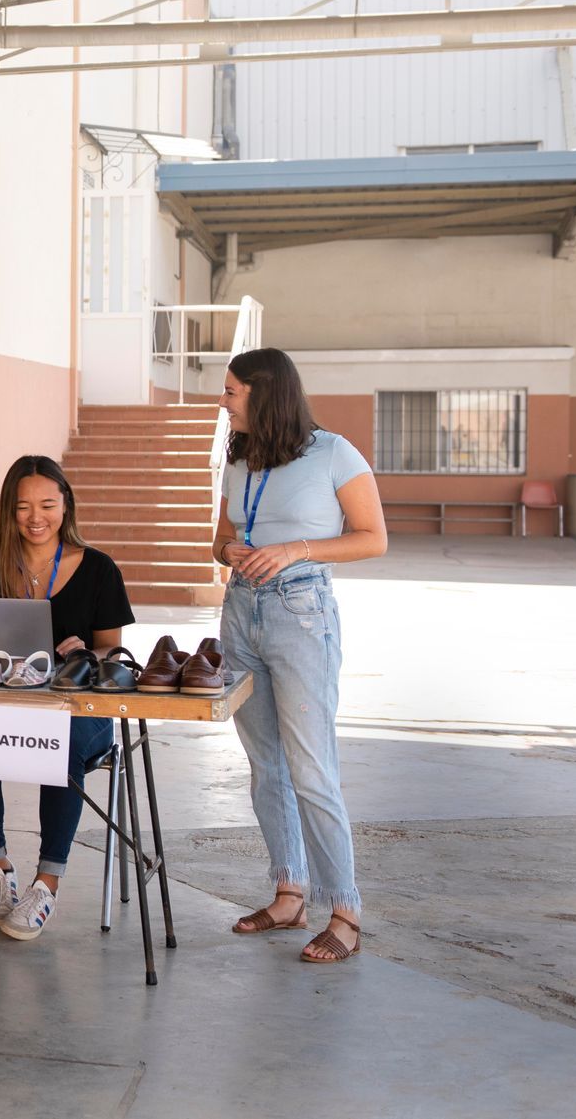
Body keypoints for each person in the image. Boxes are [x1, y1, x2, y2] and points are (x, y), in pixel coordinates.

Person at [213, 348, 386, 964]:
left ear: (265, 394)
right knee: (265, 765)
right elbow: (222, 538)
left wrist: (293, 552)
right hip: (241, 613)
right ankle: (290, 893)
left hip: (300, 613)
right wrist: (233, 554)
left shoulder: (334, 452)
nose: (224, 400)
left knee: (312, 770)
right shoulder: (238, 456)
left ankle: (345, 911)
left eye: (232, 391)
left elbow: (374, 538)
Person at [0, 455, 133, 941]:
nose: (37, 518)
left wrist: (87, 651)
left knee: (61, 742)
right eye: (23, 507)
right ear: (7, 512)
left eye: (48, 505)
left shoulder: (98, 569)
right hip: (11, 702)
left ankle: (46, 882)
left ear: (66, 505)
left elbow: (111, 648)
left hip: (80, 709)